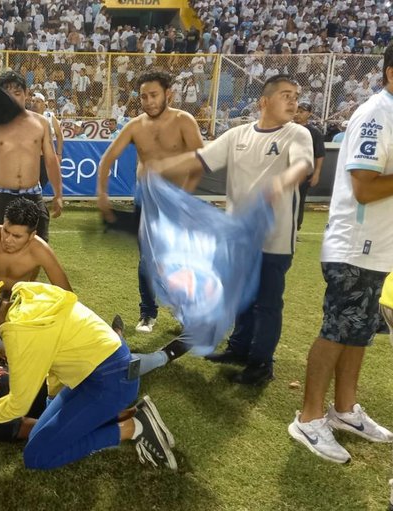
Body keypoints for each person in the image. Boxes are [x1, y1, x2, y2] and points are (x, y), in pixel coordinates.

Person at [148, 74, 313, 386]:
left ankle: (261, 363)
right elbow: (201, 159)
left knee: (267, 302)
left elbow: (303, 166)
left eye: (296, 96)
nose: (293, 101)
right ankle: (238, 349)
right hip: (239, 236)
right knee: (242, 297)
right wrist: (161, 168)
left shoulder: (297, 134)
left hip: (274, 238)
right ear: (264, 102)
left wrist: (282, 182)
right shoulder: (238, 135)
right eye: (286, 95)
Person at [0, 280, 178, 471]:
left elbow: (17, 406)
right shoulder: (26, 292)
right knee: (37, 437)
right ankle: (130, 414)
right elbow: (52, 348)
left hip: (109, 381)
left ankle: (135, 427)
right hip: (100, 369)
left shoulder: (19, 333)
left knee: (37, 457)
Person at [288, 45, 393, 464]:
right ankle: (309, 418)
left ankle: (345, 410)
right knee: (337, 329)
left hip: (378, 245)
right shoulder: (375, 114)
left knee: (360, 330)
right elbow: (365, 187)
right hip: (355, 243)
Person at [98, 71, 204, 336]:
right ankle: (147, 313)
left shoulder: (184, 121)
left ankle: (185, 312)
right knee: (147, 260)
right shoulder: (135, 126)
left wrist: (184, 196)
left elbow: (202, 161)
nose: (148, 101)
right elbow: (107, 159)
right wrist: (102, 196)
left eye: (154, 95)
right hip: (145, 200)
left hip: (175, 202)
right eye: (144, 96)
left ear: (169, 94)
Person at [0, 71, 62, 243]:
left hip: (33, 195)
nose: (12, 99)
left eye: (17, 94)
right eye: (6, 94)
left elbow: (50, 159)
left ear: (26, 94)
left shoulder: (40, 123)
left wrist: (59, 193)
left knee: (37, 247)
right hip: (0, 196)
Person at [0, 197, 71, 293]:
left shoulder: (41, 250)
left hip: (16, 298)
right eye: (6, 231)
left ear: (32, 235)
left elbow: (66, 292)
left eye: (17, 236)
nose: (7, 239)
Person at [293, 102, 325, 233]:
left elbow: (319, 154)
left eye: (302, 111)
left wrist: (316, 173)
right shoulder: (286, 128)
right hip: (285, 170)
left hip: (303, 173)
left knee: (299, 201)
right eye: (297, 111)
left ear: (309, 114)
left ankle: (295, 229)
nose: (298, 114)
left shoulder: (314, 132)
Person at [28, 92, 63, 188]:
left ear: (44, 104)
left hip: (46, 158)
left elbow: (59, 135)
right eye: (33, 101)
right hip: (31, 157)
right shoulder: (27, 117)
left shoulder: (50, 117)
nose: (34, 103)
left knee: (42, 182)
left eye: (38, 101)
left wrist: (59, 154)